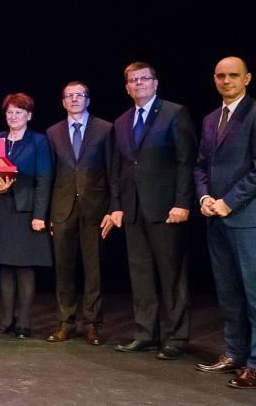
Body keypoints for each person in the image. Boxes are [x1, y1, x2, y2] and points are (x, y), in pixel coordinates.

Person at [193, 57, 256, 389]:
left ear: (247, 78)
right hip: (215, 218)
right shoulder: (210, 118)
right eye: (221, 75)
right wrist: (204, 198)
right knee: (228, 291)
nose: (226, 80)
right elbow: (201, 166)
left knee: (255, 292)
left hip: (248, 218)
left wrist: (229, 201)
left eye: (233, 75)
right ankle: (234, 352)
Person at [107, 61, 197, 360]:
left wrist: (182, 202)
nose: (138, 84)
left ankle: (176, 337)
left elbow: (186, 161)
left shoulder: (174, 113)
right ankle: (146, 334)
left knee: (171, 275)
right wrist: (117, 206)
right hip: (133, 210)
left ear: (155, 83)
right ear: (126, 87)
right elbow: (118, 168)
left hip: (166, 208)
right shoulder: (122, 121)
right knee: (141, 274)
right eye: (132, 80)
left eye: (144, 79)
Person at [45, 82, 114, 346]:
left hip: (95, 207)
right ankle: (66, 322)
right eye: (69, 96)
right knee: (64, 267)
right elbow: (49, 175)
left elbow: (113, 170)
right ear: (63, 102)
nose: (74, 99)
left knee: (94, 268)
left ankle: (92, 324)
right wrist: (48, 213)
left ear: (88, 100)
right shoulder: (53, 132)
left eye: (79, 95)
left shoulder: (105, 129)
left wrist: (112, 208)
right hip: (62, 208)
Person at [0, 93, 53, 339]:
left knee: (25, 267)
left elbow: (44, 179)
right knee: (6, 266)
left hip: (27, 211)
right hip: (3, 209)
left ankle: (24, 322)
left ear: (29, 115)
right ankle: (6, 319)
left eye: (19, 112)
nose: (14, 116)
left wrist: (40, 215)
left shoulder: (39, 141)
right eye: (10, 112)